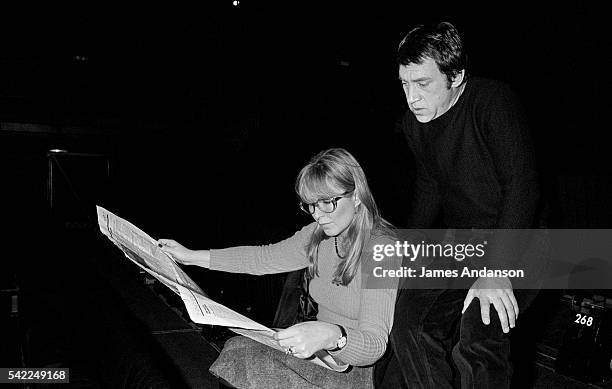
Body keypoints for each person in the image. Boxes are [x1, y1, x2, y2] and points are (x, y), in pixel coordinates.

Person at [374, 22, 544, 388]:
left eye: (423, 84)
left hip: (522, 239)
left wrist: (496, 270)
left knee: (479, 333)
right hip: (465, 241)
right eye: (404, 84)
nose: (412, 97)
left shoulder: (493, 102)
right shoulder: (415, 124)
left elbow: (523, 185)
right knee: (411, 322)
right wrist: (410, 246)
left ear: (457, 76)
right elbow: (430, 184)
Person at [159, 148, 399, 389]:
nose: (318, 215)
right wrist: (191, 257)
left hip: (354, 370)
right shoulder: (320, 235)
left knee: (251, 365)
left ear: (356, 196)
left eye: (328, 202)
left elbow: (374, 345)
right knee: (237, 349)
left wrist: (332, 335)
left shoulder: (382, 250)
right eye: (311, 205)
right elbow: (263, 258)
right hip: (322, 355)